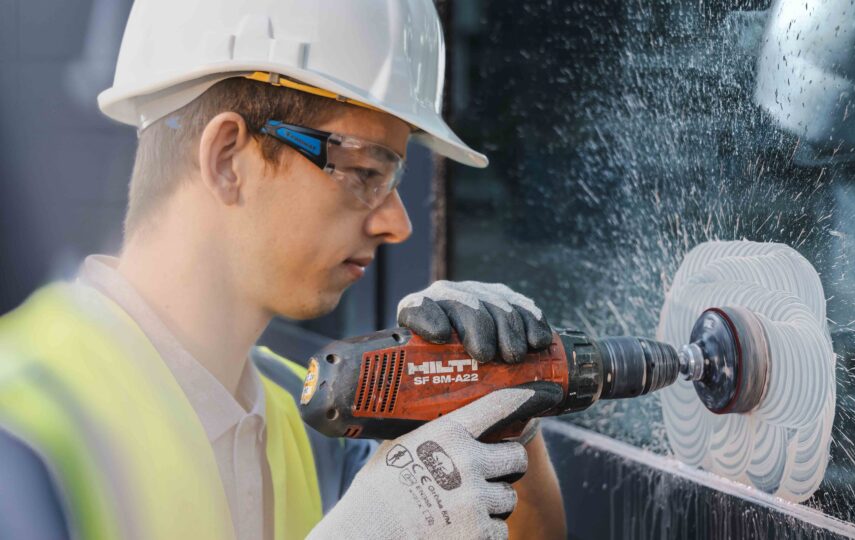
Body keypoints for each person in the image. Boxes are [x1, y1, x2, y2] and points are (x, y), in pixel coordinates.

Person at [0, 1, 566, 539]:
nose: (397, 224)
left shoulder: (309, 424)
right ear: (227, 159)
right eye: (366, 171)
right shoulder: (23, 422)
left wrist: (504, 406)